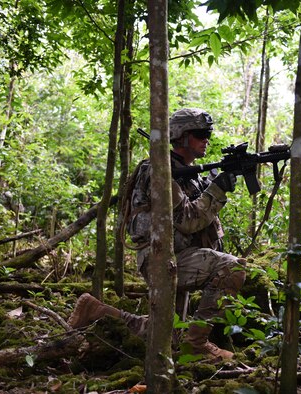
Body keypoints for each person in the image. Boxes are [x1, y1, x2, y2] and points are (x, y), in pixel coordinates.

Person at [69, 108, 246, 361]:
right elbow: (188, 220)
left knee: (168, 333)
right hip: (162, 259)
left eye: (208, 134)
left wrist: (215, 184)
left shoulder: (188, 173)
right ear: (180, 136)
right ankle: (197, 345)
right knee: (232, 267)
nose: (206, 139)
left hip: (178, 255)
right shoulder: (160, 171)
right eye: (200, 134)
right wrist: (217, 191)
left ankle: (97, 311)